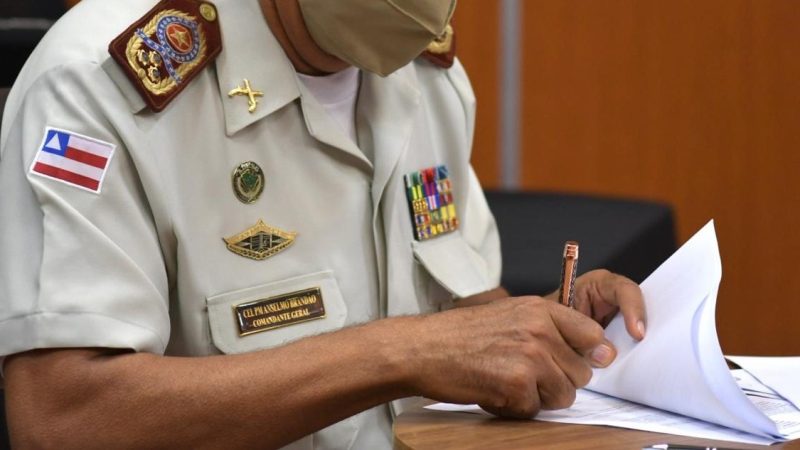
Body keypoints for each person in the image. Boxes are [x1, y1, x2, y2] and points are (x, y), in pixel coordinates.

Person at [0, 0, 647, 448]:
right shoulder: (101, 85)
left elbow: (458, 311)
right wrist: (402, 353)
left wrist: (545, 331)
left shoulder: (419, 70)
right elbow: (61, 419)